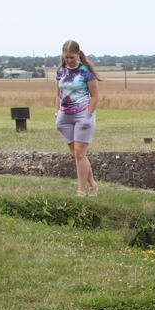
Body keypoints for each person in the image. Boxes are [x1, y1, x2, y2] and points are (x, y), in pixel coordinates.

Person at [55, 40, 100, 196]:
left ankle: (81, 191)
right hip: (64, 117)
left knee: (80, 154)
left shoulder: (85, 72)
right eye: (66, 57)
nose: (69, 60)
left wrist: (88, 115)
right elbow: (58, 94)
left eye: (72, 57)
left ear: (78, 54)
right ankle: (93, 184)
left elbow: (95, 96)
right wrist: (57, 112)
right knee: (76, 154)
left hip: (82, 115)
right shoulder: (60, 71)